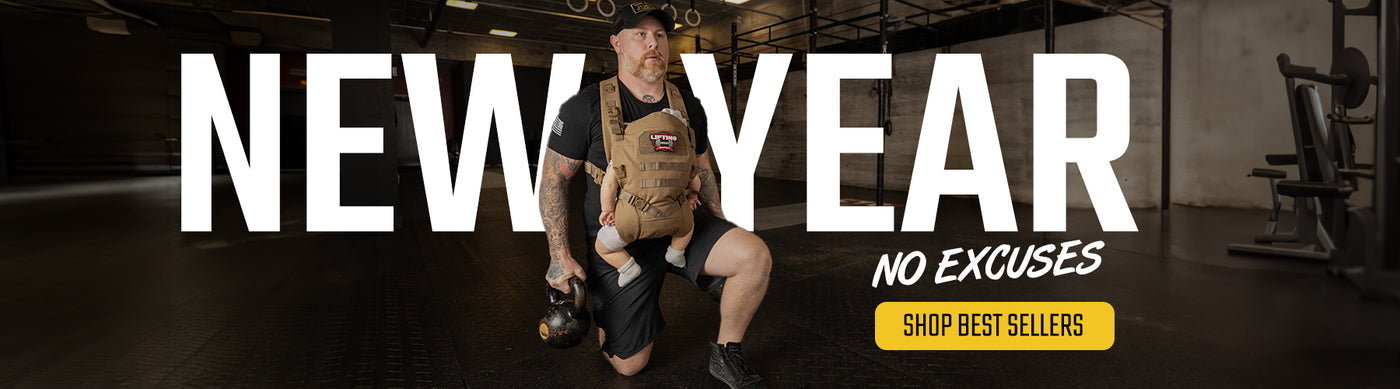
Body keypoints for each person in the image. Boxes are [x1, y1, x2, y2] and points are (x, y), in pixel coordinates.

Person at [536, 2, 771, 387]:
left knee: (753, 255)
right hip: (622, 241)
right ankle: (613, 318)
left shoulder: (687, 105)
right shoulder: (585, 106)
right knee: (629, 364)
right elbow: (553, 180)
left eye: (660, 36)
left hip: (681, 223)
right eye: (640, 35)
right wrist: (558, 254)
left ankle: (727, 353)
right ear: (616, 43)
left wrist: (718, 220)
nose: (653, 44)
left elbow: (703, 168)